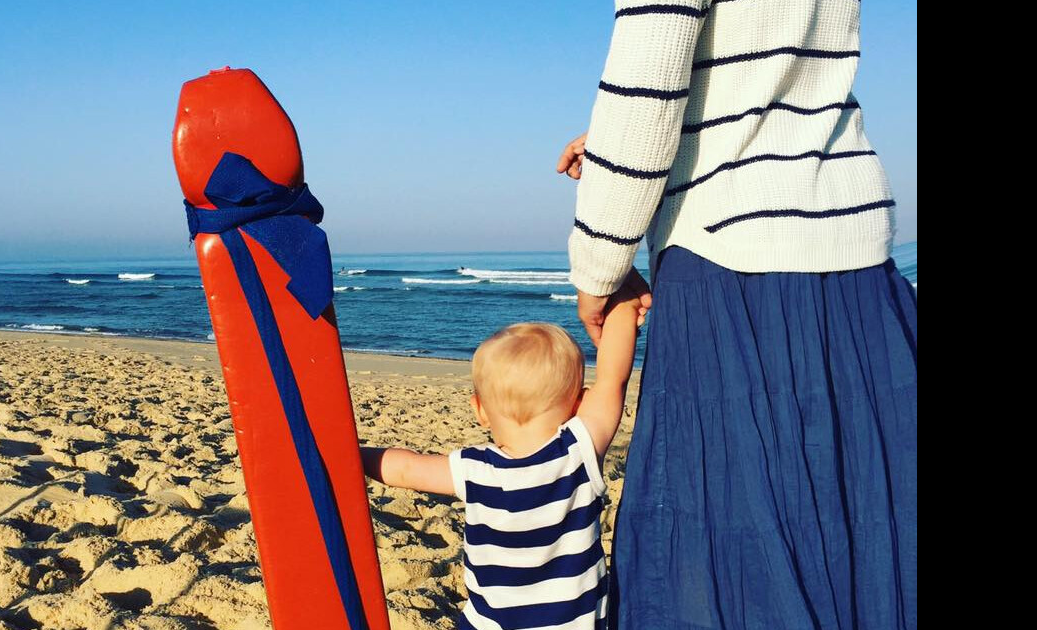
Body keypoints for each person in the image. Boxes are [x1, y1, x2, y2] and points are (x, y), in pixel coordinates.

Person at [556, 1, 917, 628]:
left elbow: (650, 77)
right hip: (859, 266)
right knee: (866, 549)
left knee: (721, 565)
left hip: (730, 267)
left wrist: (597, 270)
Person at [360, 284, 645, 629]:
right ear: (578, 405)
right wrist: (623, 309)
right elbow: (613, 379)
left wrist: (353, 456)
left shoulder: (474, 469)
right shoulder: (578, 452)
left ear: (479, 410)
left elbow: (404, 468)